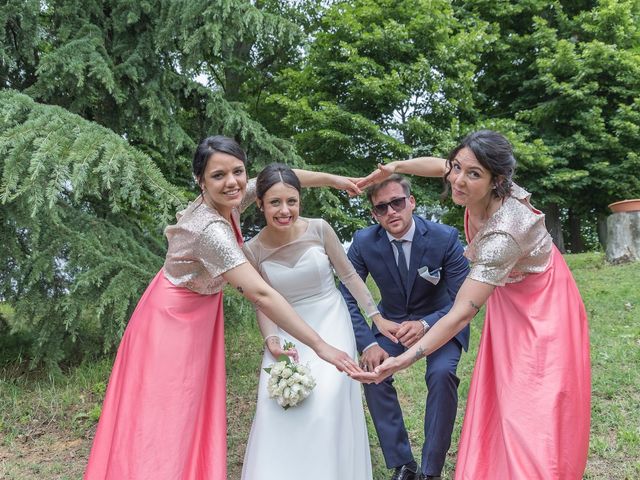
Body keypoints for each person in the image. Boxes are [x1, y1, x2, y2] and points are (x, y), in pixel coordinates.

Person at [84, 136, 363, 480]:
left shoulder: (230, 196)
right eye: (218, 175)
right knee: (166, 412)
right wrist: (320, 345)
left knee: (193, 406)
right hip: (173, 320)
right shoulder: (210, 231)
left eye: (238, 171)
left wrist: (333, 180)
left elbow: (279, 178)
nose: (232, 182)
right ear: (201, 181)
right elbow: (261, 293)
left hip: (199, 312)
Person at [355, 130, 591, 479]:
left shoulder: (504, 233)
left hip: (542, 305)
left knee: (530, 401)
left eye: (473, 174)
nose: (458, 181)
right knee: (502, 395)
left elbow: (461, 311)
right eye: (457, 169)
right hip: (506, 298)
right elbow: (442, 167)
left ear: (497, 181)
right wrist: (395, 165)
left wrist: (404, 358)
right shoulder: (465, 181)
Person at [240, 163, 399, 480]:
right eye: (275, 203)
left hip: (330, 319)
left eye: (292, 201)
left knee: (327, 400)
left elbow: (349, 276)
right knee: (279, 408)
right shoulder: (252, 250)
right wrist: (271, 341)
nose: (285, 211)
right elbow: (262, 300)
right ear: (259, 203)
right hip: (287, 331)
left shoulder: (320, 229)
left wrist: (376, 317)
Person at [339, 173, 470, 480]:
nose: (391, 212)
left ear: (411, 202)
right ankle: (403, 463)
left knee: (442, 374)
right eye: (381, 208)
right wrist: (368, 343)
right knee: (374, 374)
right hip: (390, 327)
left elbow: (463, 298)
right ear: (374, 214)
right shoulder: (363, 242)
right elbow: (346, 293)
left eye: (397, 202)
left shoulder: (445, 237)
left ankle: (430, 469)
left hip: (440, 323)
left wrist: (426, 324)